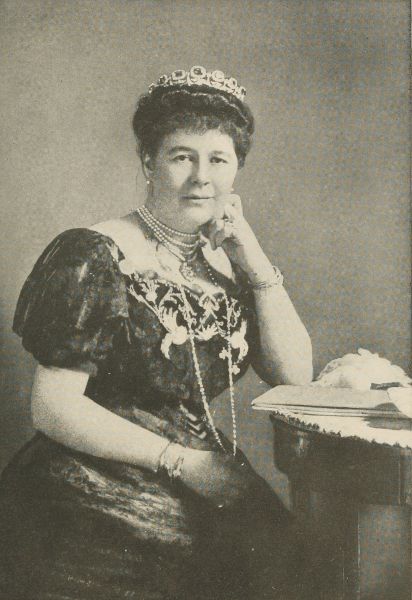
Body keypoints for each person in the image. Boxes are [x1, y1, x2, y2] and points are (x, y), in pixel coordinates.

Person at [0, 66, 315, 599]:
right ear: (149, 161)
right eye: (181, 157)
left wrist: (253, 258)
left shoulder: (230, 263)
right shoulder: (95, 253)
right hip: (92, 488)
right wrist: (183, 463)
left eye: (219, 160)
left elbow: (295, 376)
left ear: (237, 170)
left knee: (290, 563)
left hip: (203, 478)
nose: (201, 178)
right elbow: (52, 408)